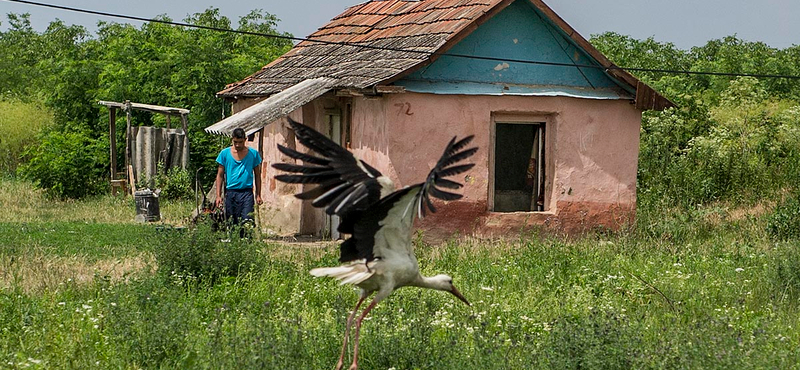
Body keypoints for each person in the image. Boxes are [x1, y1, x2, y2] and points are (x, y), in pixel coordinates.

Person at [215, 128, 263, 231]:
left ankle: (247, 244)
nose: (237, 145)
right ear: (232, 140)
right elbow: (219, 175)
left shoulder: (253, 154)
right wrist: (218, 196)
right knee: (232, 223)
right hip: (231, 193)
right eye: (235, 142)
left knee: (247, 221)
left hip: (246, 193)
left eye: (240, 142)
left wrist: (258, 194)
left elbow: (257, 175)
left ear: (245, 140)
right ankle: (235, 244)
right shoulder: (224, 154)